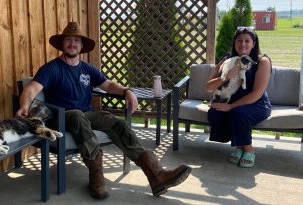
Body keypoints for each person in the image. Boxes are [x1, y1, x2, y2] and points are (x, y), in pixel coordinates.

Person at [16, 22, 191, 199]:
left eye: (76, 40)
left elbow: (107, 85)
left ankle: (157, 175)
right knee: (77, 116)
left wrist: (126, 90)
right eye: (68, 40)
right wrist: (24, 106)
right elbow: (31, 89)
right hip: (61, 116)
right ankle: (96, 178)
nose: (72, 44)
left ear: (82, 46)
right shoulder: (51, 68)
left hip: (86, 113)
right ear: (62, 44)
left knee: (116, 123)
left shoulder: (87, 69)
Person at [206, 27, 272, 168]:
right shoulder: (226, 60)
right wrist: (226, 76)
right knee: (214, 113)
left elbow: (257, 93)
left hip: (257, 104)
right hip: (233, 102)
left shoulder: (262, 62)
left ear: (253, 44)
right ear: (234, 43)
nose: (243, 44)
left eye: (247, 41)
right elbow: (209, 87)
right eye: (239, 40)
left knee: (237, 113)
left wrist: (230, 106)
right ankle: (239, 147)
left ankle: (248, 149)